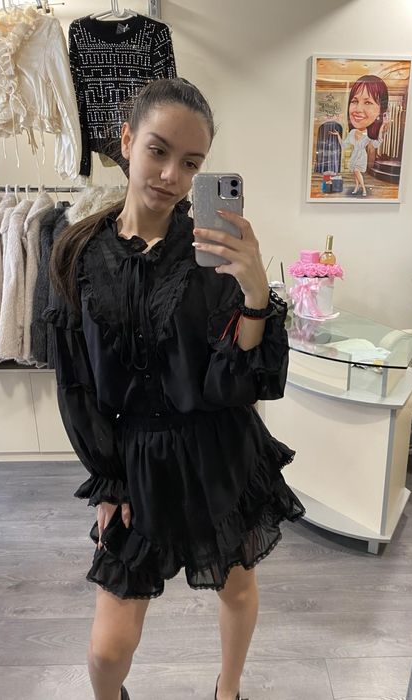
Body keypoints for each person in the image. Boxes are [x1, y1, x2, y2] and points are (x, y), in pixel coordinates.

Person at [46, 77, 305, 700]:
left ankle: (228, 691)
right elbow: (76, 379)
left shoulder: (215, 252)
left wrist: (254, 295)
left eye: (191, 163)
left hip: (219, 448)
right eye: (158, 151)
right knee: (108, 649)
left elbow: (236, 382)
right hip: (137, 460)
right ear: (127, 140)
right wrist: (108, 479)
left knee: (236, 587)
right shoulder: (78, 251)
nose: (170, 175)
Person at [331, 74, 390, 197]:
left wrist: (382, 127)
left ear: (381, 110)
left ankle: (363, 189)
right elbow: (344, 145)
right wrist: (337, 135)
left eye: (368, 102)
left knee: (357, 171)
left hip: (361, 157)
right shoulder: (352, 133)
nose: (358, 109)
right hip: (354, 156)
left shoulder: (368, 135)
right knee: (355, 173)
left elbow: (377, 143)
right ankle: (357, 187)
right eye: (354, 101)